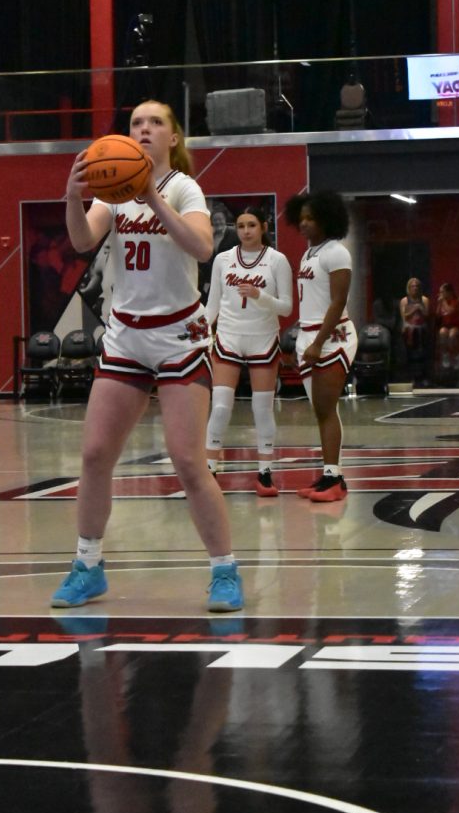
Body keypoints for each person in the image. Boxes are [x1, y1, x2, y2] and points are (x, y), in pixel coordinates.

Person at [51, 99, 242, 612]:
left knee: (187, 460)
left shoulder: (184, 188)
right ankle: (87, 565)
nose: (144, 130)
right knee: (94, 456)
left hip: (179, 334)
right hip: (127, 336)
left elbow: (202, 247)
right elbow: (80, 238)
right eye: (136, 123)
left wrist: (154, 199)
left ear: (173, 138)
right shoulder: (112, 195)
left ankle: (224, 569)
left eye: (155, 122)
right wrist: (72, 197)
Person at [204, 205, 293, 496]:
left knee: (262, 410)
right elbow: (213, 306)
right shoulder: (222, 260)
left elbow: (287, 307)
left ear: (264, 227)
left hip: (263, 338)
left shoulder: (277, 261)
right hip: (228, 337)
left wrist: (260, 296)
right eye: (241, 225)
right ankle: (210, 469)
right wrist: (201, 330)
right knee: (219, 407)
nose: (245, 231)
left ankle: (265, 473)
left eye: (251, 225)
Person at [284, 190, 357, 503]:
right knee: (321, 410)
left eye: (311, 219)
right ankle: (331, 474)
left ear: (328, 219)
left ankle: (335, 479)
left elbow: (338, 301)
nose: (304, 224)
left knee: (326, 409)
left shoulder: (336, 252)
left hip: (333, 339)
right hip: (310, 337)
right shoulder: (309, 253)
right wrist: (301, 342)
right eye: (301, 218)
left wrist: (316, 342)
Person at [198, 200, 238, 303]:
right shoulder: (211, 236)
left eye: (220, 219)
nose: (217, 222)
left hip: (231, 275)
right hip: (214, 276)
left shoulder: (234, 234)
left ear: (225, 219)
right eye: (215, 220)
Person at [434, 282, 459, 373]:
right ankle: (445, 355)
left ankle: (456, 355)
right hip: (445, 325)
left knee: (452, 335)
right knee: (442, 333)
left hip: (456, 325)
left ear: (449, 292)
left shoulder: (456, 301)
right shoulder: (441, 302)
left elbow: (450, 311)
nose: (440, 294)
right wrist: (439, 304)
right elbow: (438, 315)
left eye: (442, 292)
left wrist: (443, 302)